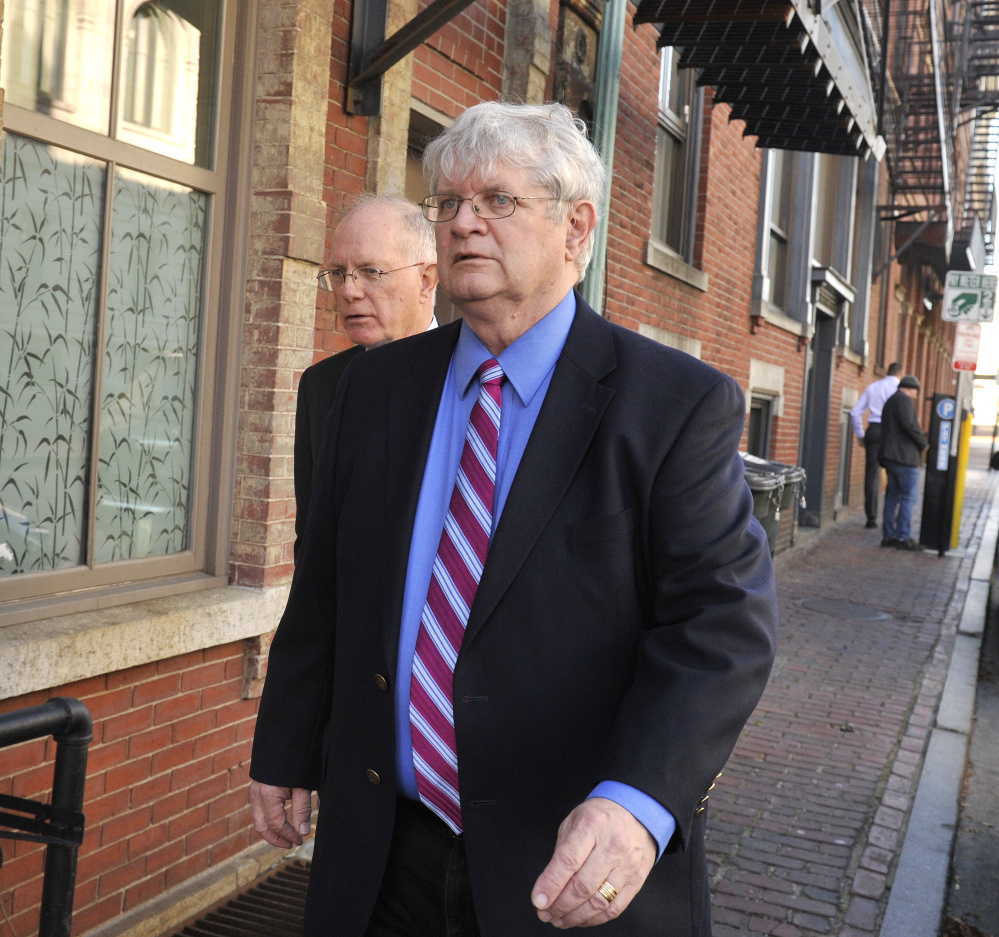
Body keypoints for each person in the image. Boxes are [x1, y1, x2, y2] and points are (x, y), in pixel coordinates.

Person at [249, 101, 778, 937]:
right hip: (385, 852)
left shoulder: (672, 404)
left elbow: (721, 623)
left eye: (496, 201)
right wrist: (285, 744)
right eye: (448, 203)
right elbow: (324, 586)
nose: (463, 224)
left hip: (566, 864)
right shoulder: (370, 389)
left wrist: (637, 803)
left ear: (576, 229)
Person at [294, 197, 439, 560]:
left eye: (371, 272)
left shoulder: (477, 382)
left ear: (426, 280)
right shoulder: (321, 384)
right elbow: (312, 540)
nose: (348, 291)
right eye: (339, 273)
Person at [878, 374, 928, 550]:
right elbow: (909, 426)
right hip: (904, 458)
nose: (916, 396)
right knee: (909, 497)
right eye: (916, 392)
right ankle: (903, 537)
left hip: (890, 457)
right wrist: (923, 443)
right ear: (909, 389)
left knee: (892, 496)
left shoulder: (891, 401)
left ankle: (889, 535)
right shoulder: (904, 401)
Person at [850, 362, 901, 528]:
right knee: (894, 474)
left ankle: (871, 518)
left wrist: (860, 435)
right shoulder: (900, 389)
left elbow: (855, 412)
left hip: (873, 429)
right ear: (900, 373)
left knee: (871, 475)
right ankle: (890, 516)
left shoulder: (873, 387)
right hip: (891, 432)